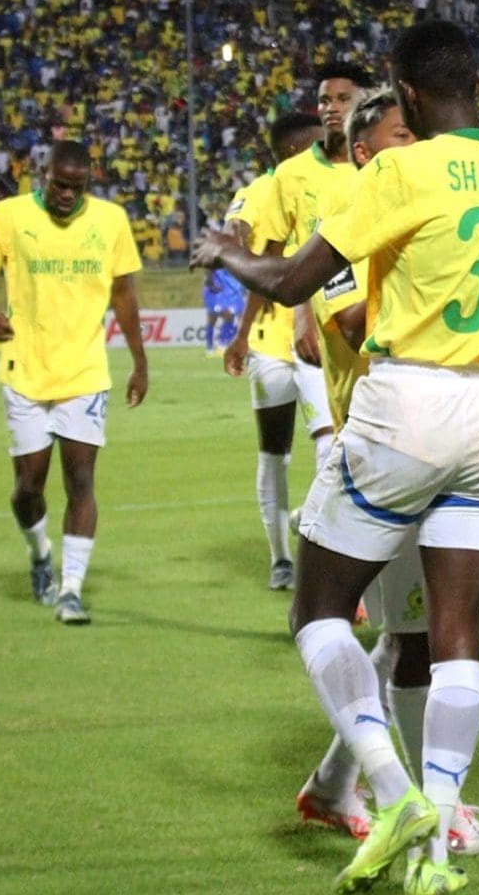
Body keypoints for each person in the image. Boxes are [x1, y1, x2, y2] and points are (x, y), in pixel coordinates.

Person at [193, 20, 479, 895]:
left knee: (319, 610)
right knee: (455, 638)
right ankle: (437, 848)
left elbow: (294, 283)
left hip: (411, 399)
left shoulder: (402, 168)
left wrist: (226, 254)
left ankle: (392, 793)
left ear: (401, 87)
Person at [292, 87, 479, 857]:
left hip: (431, 442)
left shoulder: (417, 203)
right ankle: (409, 803)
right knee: (404, 638)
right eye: (399, 137)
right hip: (383, 443)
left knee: (409, 639)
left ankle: (349, 789)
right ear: (363, 151)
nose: (416, 149)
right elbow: (348, 320)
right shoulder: (361, 208)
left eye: (418, 134)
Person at [0, 141, 148, 625]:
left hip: (85, 374)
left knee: (81, 481)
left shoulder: (110, 221)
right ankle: (40, 554)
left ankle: (70, 589)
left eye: (77, 187)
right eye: (59, 185)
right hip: (24, 370)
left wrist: (140, 361)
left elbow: (124, 296)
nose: (67, 195)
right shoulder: (8, 216)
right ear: (41, 175)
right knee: (28, 486)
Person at [246, 63, 376, 587]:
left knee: (347, 447)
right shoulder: (293, 175)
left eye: (342, 98)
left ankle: (320, 528)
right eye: (324, 99)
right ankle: (297, 555)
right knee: (304, 445)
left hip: (366, 331)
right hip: (304, 332)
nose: (330, 107)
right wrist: (284, 318)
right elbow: (277, 255)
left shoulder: (379, 168)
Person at [221, 111, 327, 590]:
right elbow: (245, 243)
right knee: (276, 452)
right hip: (273, 340)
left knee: (335, 444)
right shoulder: (268, 188)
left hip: (321, 338)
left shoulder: (336, 178)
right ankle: (281, 558)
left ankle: (312, 521)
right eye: (315, 144)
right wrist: (243, 334)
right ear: (292, 152)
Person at [202, 266, 245, 356]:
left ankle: (225, 344)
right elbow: (208, 267)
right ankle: (211, 347)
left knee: (237, 316)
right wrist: (210, 281)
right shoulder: (217, 259)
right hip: (217, 290)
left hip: (233, 289)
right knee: (214, 317)